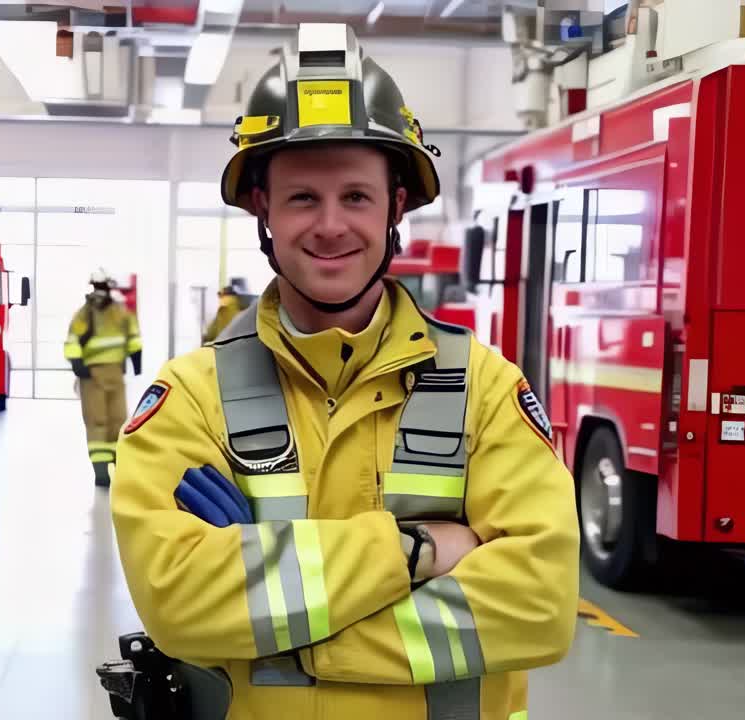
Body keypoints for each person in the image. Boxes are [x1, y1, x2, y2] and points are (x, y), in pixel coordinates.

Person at [109, 24, 579, 720]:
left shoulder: (485, 389)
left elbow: (538, 603)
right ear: (263, 209)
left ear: (396, 207)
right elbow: (180, 603)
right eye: (302, 198)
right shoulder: (189, 401)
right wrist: (420, 549)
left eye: (355, 196)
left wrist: (287, 637)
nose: (330, 225)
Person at [65, 270, 143, 487]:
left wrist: (78, 365)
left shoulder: (84, 314)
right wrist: (136, 362)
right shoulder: (118, 313)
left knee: (104, 421)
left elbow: (71, 342)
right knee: (111, 420)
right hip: (104, 374)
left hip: (97, 375)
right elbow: (134, 340)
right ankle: (105, 469)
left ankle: (106, 469)